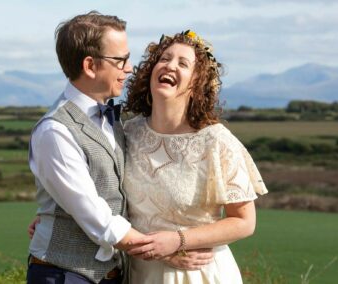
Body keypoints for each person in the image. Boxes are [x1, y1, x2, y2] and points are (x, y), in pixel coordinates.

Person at [26, 12, 213, 284]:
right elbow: (96, 216)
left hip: (114, 274)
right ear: (90, 66)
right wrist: (161, 251)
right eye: (120, 60)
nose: (129, 68)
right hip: (64, 274)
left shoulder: (115, 121)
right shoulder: (55, 131)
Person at [121, 30, 268, 283]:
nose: (169, 66)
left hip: (197, 273)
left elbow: (244, 222)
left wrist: (178, 241)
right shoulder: (128, 133)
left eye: (182, 63)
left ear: (196, 83)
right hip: (139, 271)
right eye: (164, 58)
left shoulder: (216, 142)